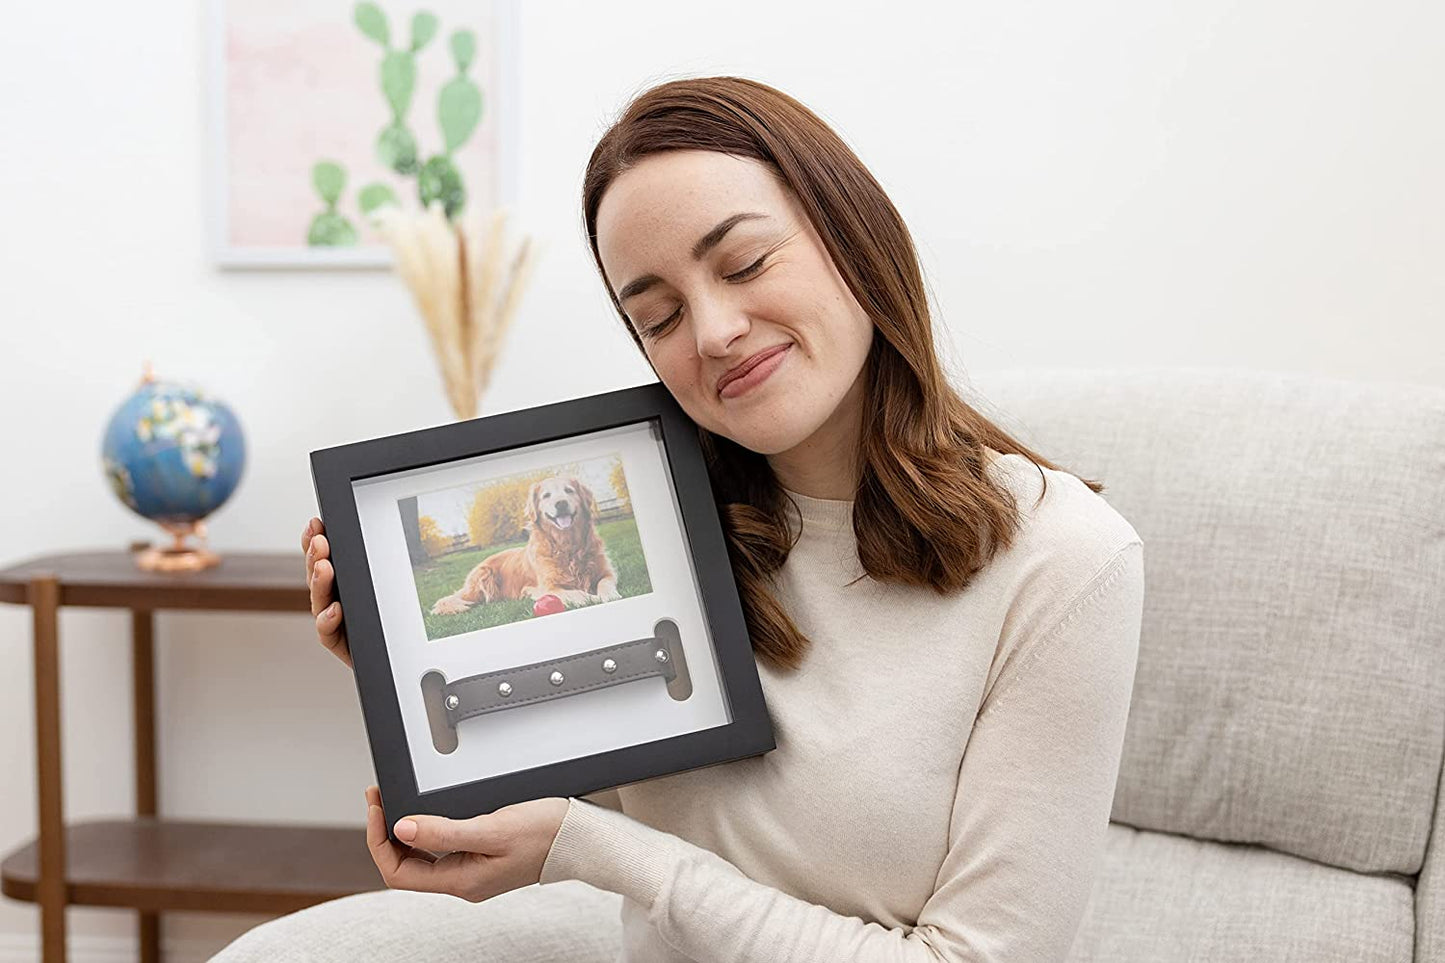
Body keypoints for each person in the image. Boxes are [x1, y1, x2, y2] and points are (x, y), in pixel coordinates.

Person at [214, 75, 1144, 962]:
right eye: (656, 318)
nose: (712, 333)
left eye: (742, 263)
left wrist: (602, 853)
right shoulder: (664, 513)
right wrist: (409, 671)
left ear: (854, 238)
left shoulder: (1063, 564)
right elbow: (586, 783)